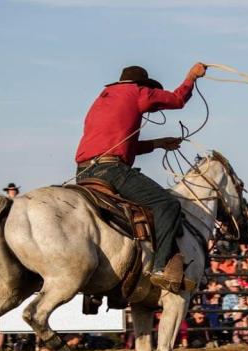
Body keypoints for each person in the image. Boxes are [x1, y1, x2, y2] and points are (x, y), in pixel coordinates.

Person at [74, 63, 206, 291]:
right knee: (167, 204)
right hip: (111, 170)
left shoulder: (102, 98)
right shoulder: (139, 92)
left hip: (83, 171)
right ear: (142, 85)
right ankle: (160, 266)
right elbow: (177, 100)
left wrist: (157, 143)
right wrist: (191, 77)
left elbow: (120, 146)